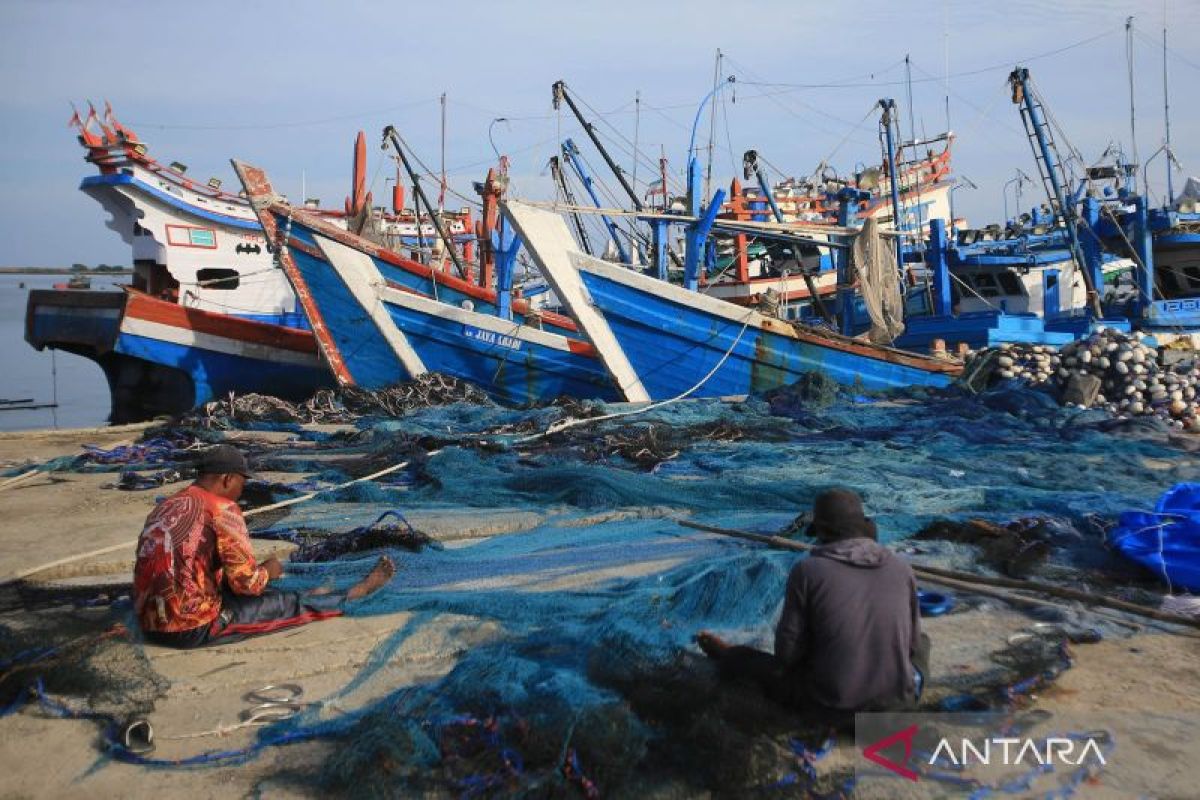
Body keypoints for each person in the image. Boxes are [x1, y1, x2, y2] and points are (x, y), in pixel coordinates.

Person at [133, 444, 395, 648]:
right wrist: (269, 570)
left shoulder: (166, 506)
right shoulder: (222, 509)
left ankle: (317, 593)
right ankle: (353, 594)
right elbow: (248, 584)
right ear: (227, 479)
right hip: (190, 627)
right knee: (287, 604)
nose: (242, 491)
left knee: (241, 584)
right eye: (242, 483)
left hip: (147, 621)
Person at [697, 488, 929, 715]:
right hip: (898, 703)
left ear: (822, 533)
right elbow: (913, 645)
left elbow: (787, 653)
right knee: (923, 641)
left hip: (832, 706)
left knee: (755, 664)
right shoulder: (902, 568)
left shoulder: (808, 571)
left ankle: (728, 655)